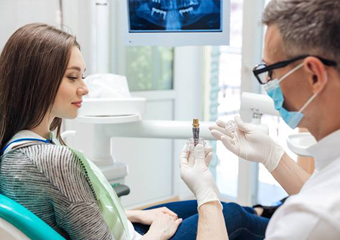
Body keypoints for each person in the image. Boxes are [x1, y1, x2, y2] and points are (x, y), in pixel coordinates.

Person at [0, 23, 271, 240]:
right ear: (36, 80)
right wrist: (157, 232)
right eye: (73, 77)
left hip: (121, 228)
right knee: (232, 215)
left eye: (83, 75)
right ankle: (290, 223)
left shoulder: (15, 147)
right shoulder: (52, 161)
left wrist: (136, 214)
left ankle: (267, 211)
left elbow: (72, 216)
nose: (84, 87)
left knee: (212, 206)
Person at [180, 0, 340, 239]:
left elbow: (319, 207)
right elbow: (320, 188)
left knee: (233, 215)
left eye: (270, 70)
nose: (268, 83)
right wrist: (273, 156)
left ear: (314, 75)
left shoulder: (310, 220)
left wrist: (207, 196)